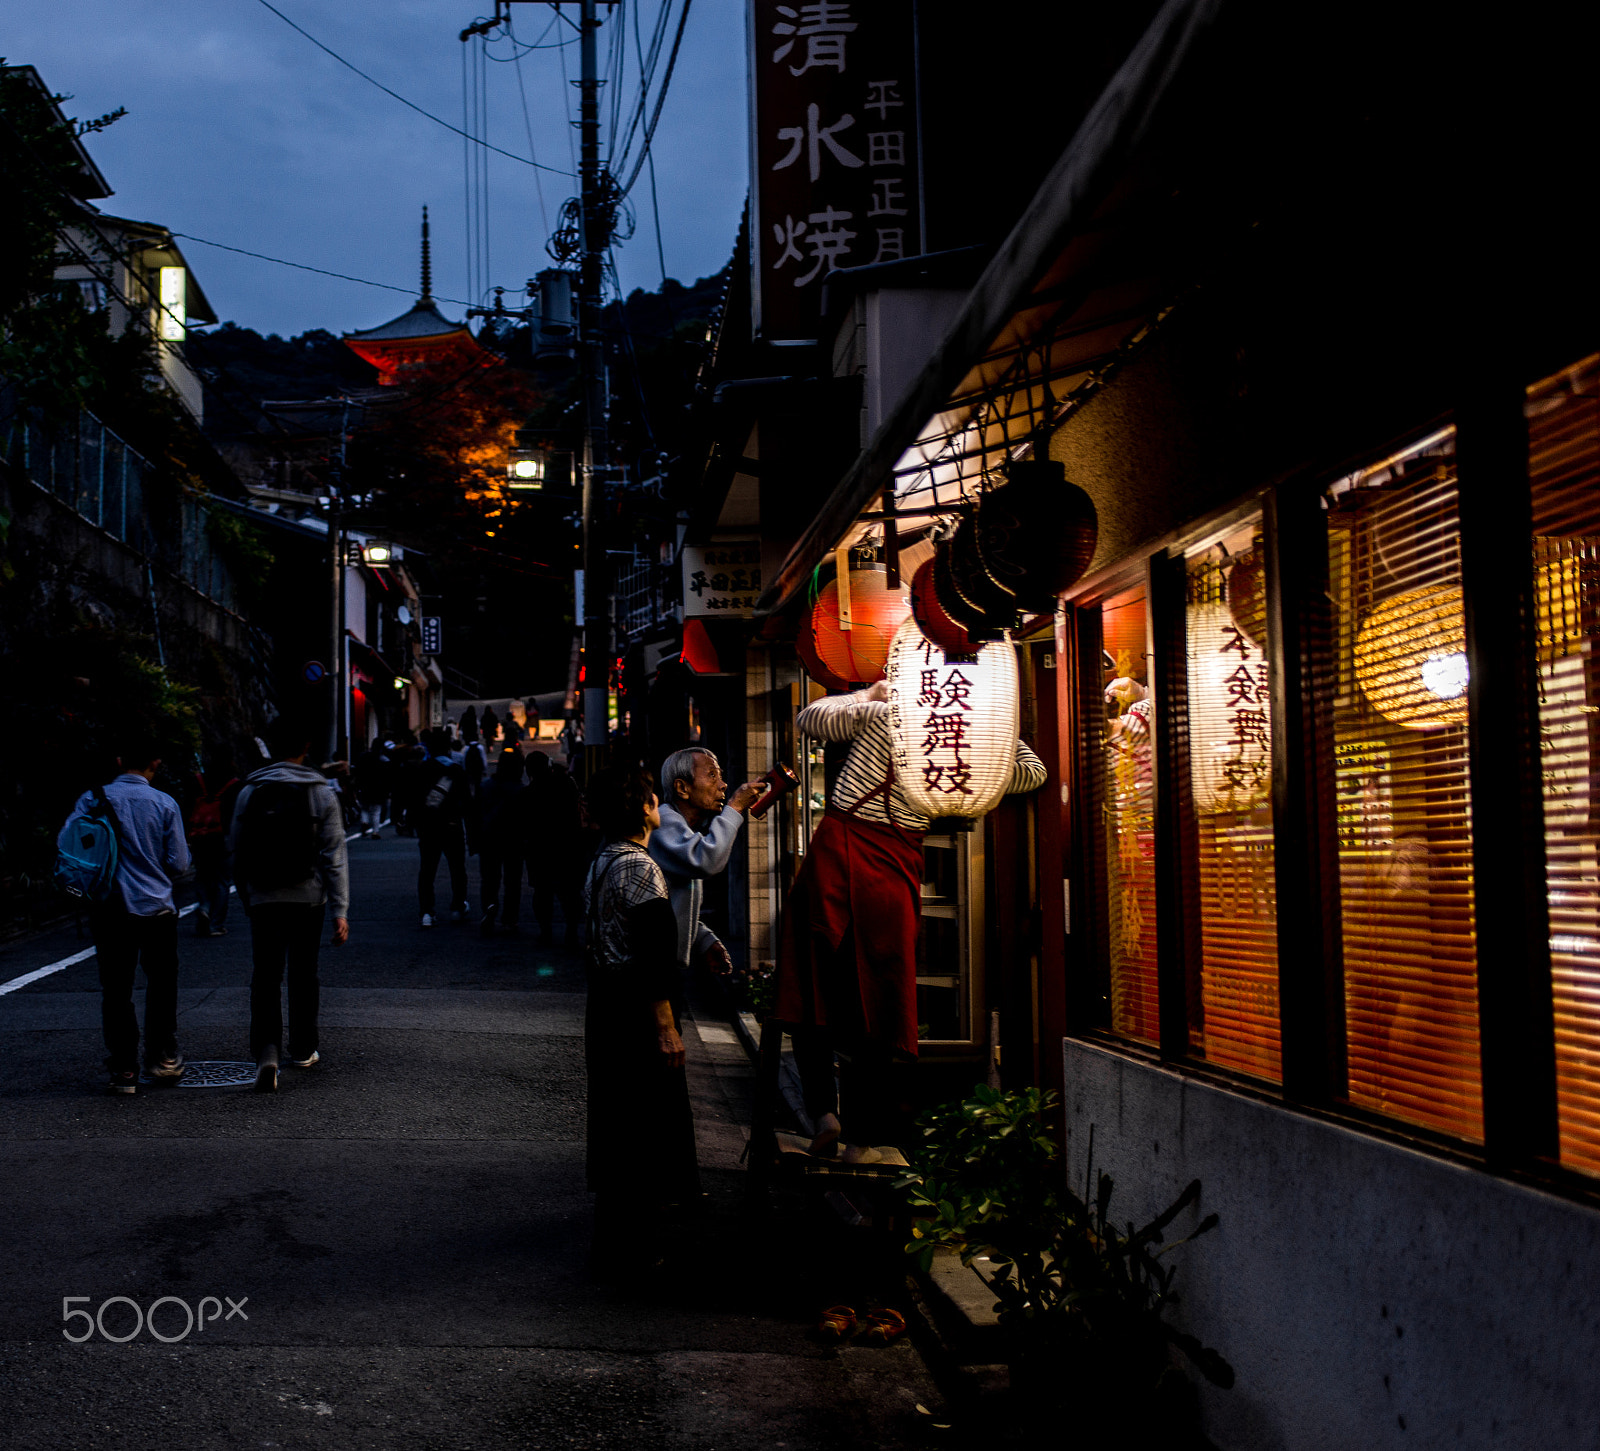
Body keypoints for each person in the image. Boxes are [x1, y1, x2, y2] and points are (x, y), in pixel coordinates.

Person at [773, 680, 1047, 1160]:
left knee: (809, 987)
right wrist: (998, 731)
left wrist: (866, 696)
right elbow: (1034, 773)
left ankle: (824, 1113)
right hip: (894, 870)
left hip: (835, 856)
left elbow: (811, 718)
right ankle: (862, 1138)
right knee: (878, 1001)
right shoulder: (972, 745)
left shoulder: (885, 716)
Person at [582, 764, 697, 1274]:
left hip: (604, 1004)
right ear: (644, 808)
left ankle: (615, 1236)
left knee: (615, 1117)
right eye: (652, 798)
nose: (657, 805)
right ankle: (636, 1246)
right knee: (643, 1122)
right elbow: (653, 955)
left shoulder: (604, 860)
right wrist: (666, 1027)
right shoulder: (640, 868)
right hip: (634, 1009)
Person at [64, 735, 192, 1093]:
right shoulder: (164, 803)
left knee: (116, 988)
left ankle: (124, 1068)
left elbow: (70, 846)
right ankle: (162, 1057)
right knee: (162, 984)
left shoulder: (92, 799)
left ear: (119, 761)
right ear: (157, 763)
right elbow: (180, 864)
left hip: (109, 908)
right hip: (156, 909)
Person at [230, 715, 350, 1092]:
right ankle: (302, 1047)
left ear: (272, 747)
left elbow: (236, 847)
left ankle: (267, 1049)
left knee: (265, 975)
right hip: (308, 898)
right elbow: (334, 854)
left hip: (264, 896)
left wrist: (246, 893)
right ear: (306, 748)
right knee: (303, 973)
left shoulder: (250, 790)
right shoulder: (321, 792)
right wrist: (340, 910)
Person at [648, 748, 763, 975]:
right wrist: (735, 808)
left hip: (662, 965)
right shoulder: (665, 823)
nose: (722, 785)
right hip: (652, 967)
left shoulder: (683, 828)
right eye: (712, 775)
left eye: (719, 776)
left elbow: (675, 903)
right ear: (682, 788)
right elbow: (705, 860)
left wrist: (703, 939)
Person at [414, 727, 471, 927]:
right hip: (453, 826)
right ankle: (457, 906)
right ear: (448, 747)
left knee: (427, 871)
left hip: (429, 828)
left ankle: (427, 912)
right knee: (457, 869)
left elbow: (415, 801)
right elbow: (467, 802)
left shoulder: (422, 769)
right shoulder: (456, 771)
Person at [526, 753, 585, 947]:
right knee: (569, 893)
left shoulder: (530, 792)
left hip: (540, 850)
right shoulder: (566, 785)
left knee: (542, 893)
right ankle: (571, 931)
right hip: (567, 847)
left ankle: (546, 931)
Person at [476, 748, 529, 937]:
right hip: (513, 839)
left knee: (489, 878)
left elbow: (477, 814)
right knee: (513, 881)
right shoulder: (520, 790)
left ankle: (489, 907)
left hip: (489, 838)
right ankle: (510, 919)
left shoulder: (486, 786)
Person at [186, 760, 241, 938]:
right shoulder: (235, 785)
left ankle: (204, 906)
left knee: (202, 875)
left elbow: (186, 807)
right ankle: (216, 924)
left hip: (199, 836)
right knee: (222, 881)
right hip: (222, 838)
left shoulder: (197, 781)